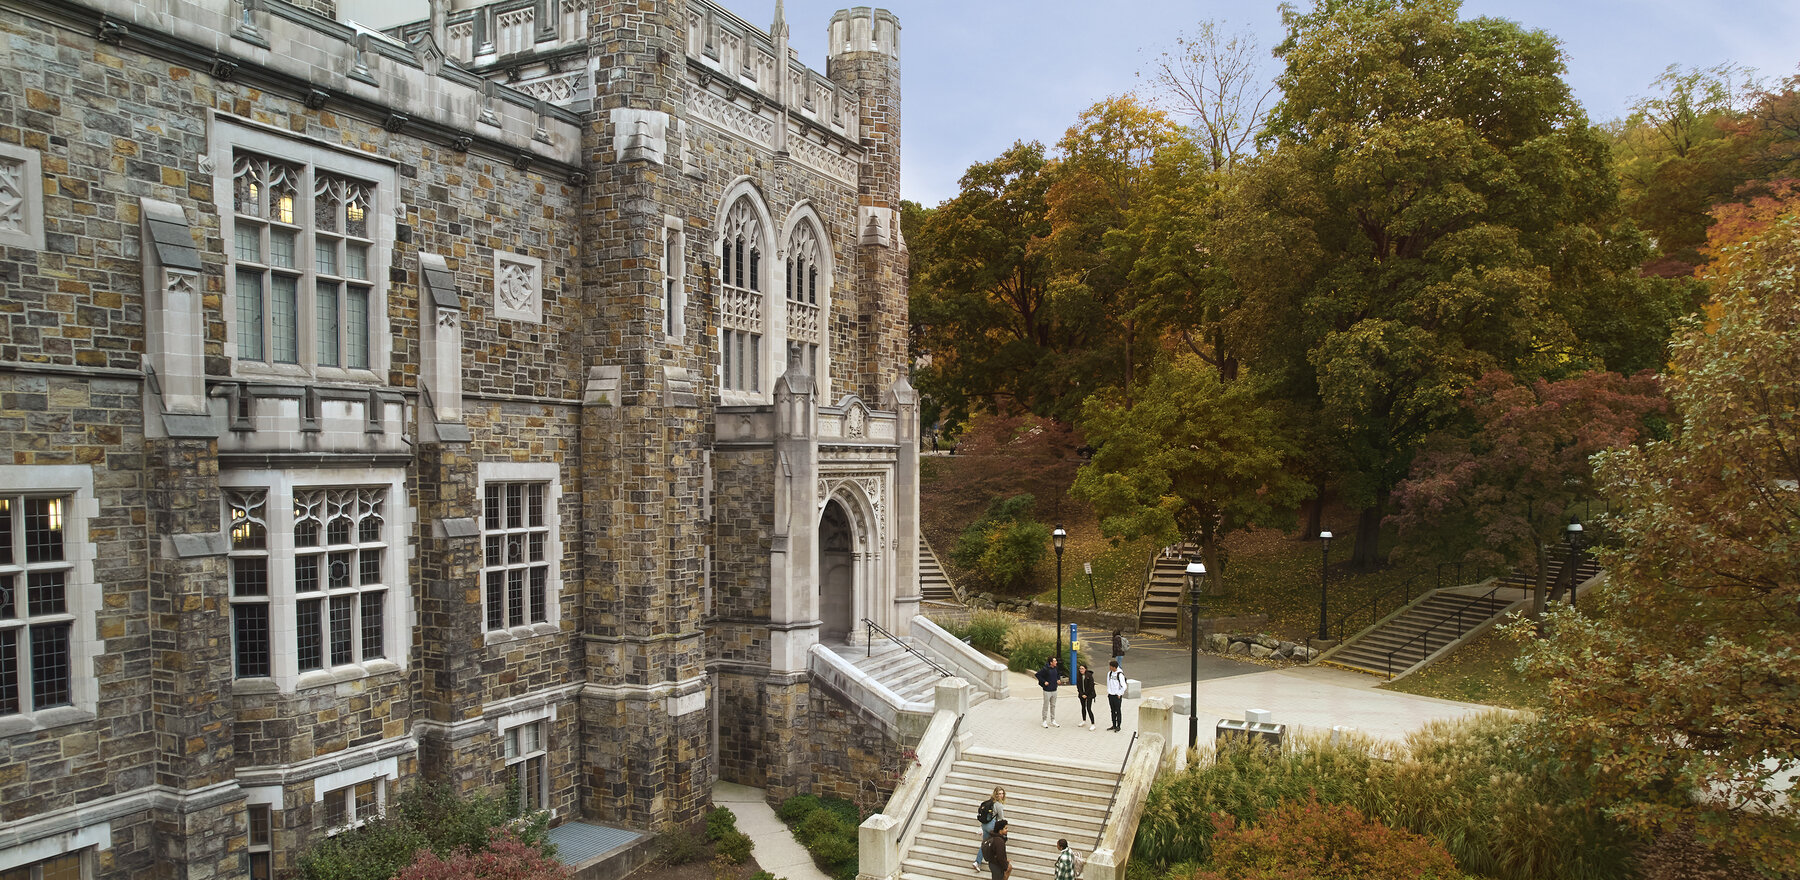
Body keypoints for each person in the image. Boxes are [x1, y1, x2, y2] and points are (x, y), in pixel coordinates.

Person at [972, 786, 1007, 872]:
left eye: (1002, 793)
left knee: (985, 843)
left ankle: (977, 862)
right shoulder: (999, 805)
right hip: (991, 826)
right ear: (996, 794)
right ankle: (996, 862)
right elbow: (1001, 818)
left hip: (985, 825)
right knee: (996, 843)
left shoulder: (990, 802)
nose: (1001, 795)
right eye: (999, 794)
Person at [1036, 655, 1062, 728]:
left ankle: (1053, 720)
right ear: (1051, 662)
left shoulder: (1056, 668)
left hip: (1054, 690)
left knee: (1053, 706)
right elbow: (1038, 675)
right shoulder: (1045, 669)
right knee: (1046, 705)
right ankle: (1044, 721)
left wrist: (1058, 679)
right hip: (1047, 691)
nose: (1056, 662)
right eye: (1055, 661)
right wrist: (1044, 682)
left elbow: (1058, 674)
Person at [1105, 659, 1127, 731]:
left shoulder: (1119, 674)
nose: (1109, 667)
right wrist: (1109, 691)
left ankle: (1118, 726)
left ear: (1114, 667)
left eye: (1111, 666)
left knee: (1118, 711)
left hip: (1117, 695)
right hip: (1111, 695)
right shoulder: (1110, 673)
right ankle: (1113, 725)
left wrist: (1119, 693)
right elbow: (1108, 683)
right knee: (1112, 710)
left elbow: (1124, 686)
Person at [1075, 663, 1097, 730]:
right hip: (1082, 695)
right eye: (1080, 669)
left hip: (1089, 694)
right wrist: (1081, 694)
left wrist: (1086, 694)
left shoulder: (1089, 676)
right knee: (1083, 707)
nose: (1081, 670)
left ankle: (1093, 723)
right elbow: (1078, 686)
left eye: (1082, 669)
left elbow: (1091, 686)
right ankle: (1084, 720)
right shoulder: (1079, 676)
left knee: (1088, 708)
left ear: (1085, 669)